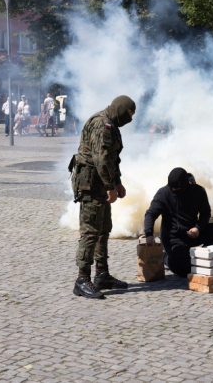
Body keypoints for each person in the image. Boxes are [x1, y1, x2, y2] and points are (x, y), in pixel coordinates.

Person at [71, 95, 136, 299]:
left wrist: (117, 182)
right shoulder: (102, 125)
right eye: (129, 114)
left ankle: (102, 274)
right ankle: (82, 279)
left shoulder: (111, 124)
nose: (130, 119)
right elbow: (101, 159)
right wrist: (110, 186)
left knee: (103, 229)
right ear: (120, 110)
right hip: (90, 184)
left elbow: (112, 159)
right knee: (90, 231)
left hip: (100, 182)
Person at [144, 168, 213, 278]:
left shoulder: (198, 191)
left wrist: (198, 228)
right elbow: (150, 214)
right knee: (186, 270)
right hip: (174, 238)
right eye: (171, 188)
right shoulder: (163, 193)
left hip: (192, 233)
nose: (173, 190)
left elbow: (206, 213)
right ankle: (165, 257)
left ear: (185, 184)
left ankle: (202, 257)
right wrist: (149, 234)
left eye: (176, 189)